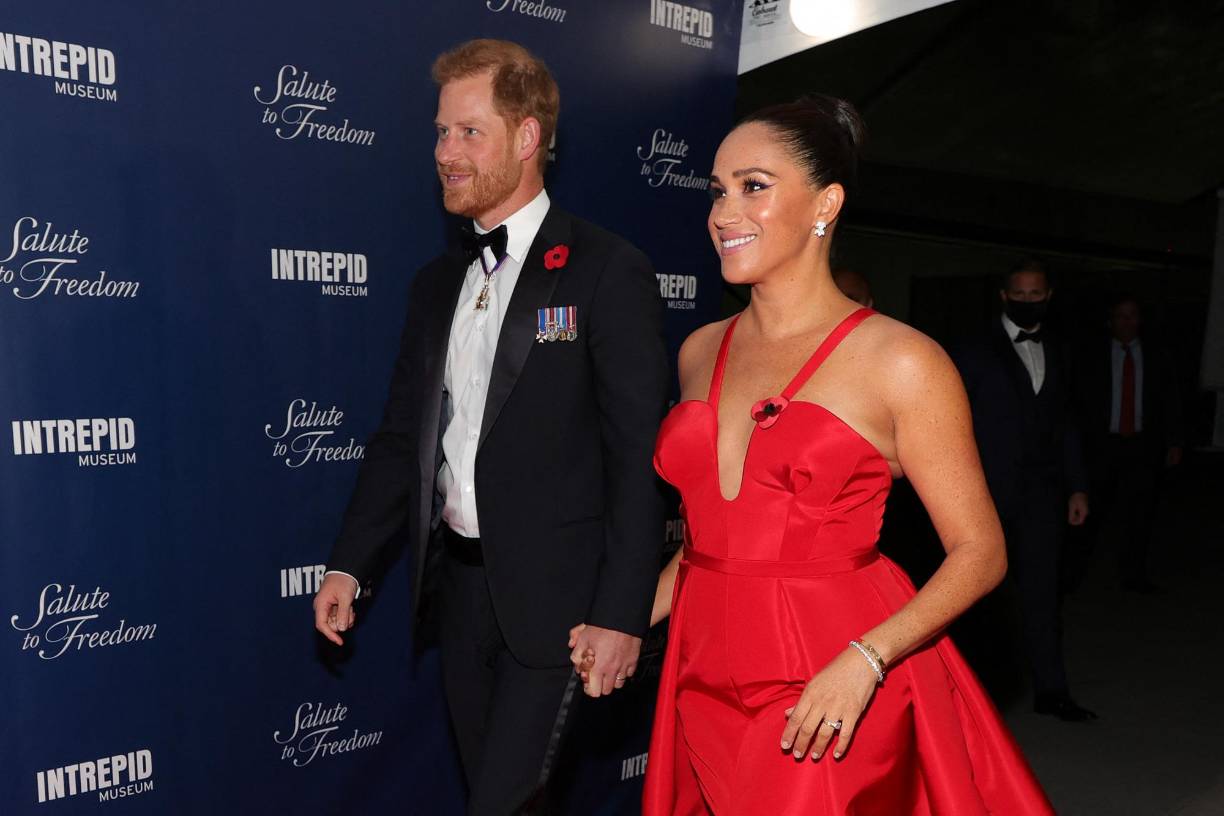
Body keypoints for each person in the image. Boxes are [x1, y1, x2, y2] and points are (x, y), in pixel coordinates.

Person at [635, 96, 1053, 814]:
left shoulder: (902, 361)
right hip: (699, 671)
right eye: (717, 191)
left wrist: (868, 659)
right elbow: (710, 537)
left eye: (754, 187)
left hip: (829, 675)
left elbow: (980, 551)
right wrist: (624, 621)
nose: (723, 212)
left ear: (826, 202)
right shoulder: (700, 351)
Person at [311, 39, 669, 814]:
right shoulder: (436, 283)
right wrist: (349, 564)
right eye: (441, 133)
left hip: (565, 611)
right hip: (461, 597)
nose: (446, 152)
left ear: (528, 137)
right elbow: (404, 437)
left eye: (469, 132)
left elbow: (643, 457)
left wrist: (621, 613)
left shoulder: (607, 271)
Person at [954, 258, 1096, 722]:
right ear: (1004, 295)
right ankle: (971, 699)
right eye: (1020, 294)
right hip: (984, 493)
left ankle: (1052, 691)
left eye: (1036, 295)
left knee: (1042, 594)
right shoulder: (973, 348)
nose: (1028, 302)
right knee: (979, 598)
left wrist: (1077, 487)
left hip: (1043, 494)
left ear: (1048, 297)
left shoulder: (1060, 347)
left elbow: (1067, 423)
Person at [1076, 293, 1183, 592]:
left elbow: (1170, 399)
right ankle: (1074, 572)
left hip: (1142, 444)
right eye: (1121, 316)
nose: (1127, 322)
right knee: (1090, 511)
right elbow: (1078, 401)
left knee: (1140, 512)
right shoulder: (1092, 355)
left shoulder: (1157, 354)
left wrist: (1174, 440)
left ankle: (1133, 574)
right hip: (1102, 445)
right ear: (1111, 320)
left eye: (1132, 315)